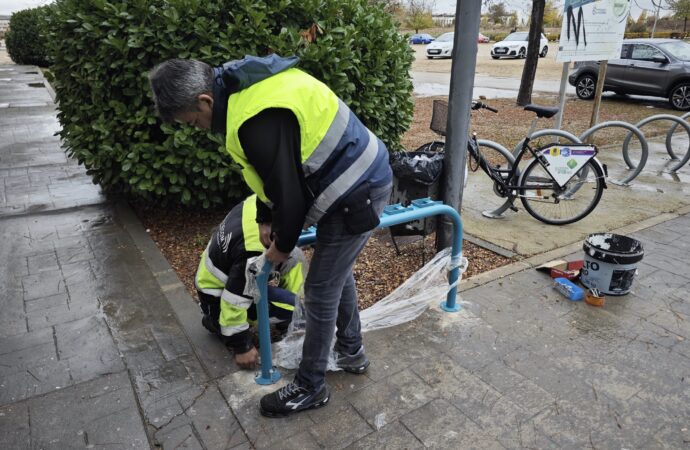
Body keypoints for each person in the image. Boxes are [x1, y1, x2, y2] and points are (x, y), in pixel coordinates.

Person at [149, 54, 392, 418]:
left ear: (204, 101)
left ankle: (311, 387)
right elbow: (273, 175)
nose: (197, 128)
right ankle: (352, 352)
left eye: (193, 120)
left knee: (321, 289)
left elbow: (291, 199)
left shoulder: (253, 119)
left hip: (356, 189)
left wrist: (278, 251)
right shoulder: (238, 87)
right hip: (354, 178)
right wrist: (265, 216)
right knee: (335, 277)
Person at [195, 194, 305, 370]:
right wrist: (242, 346)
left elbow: (291, 265)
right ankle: (215, 321)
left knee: (295, 258)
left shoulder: (261, 202)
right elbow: (235, 299)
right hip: (216, 295)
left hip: (225, 279)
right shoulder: (253, 253)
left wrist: (295, 315)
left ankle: (219, 321)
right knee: (288, 306)